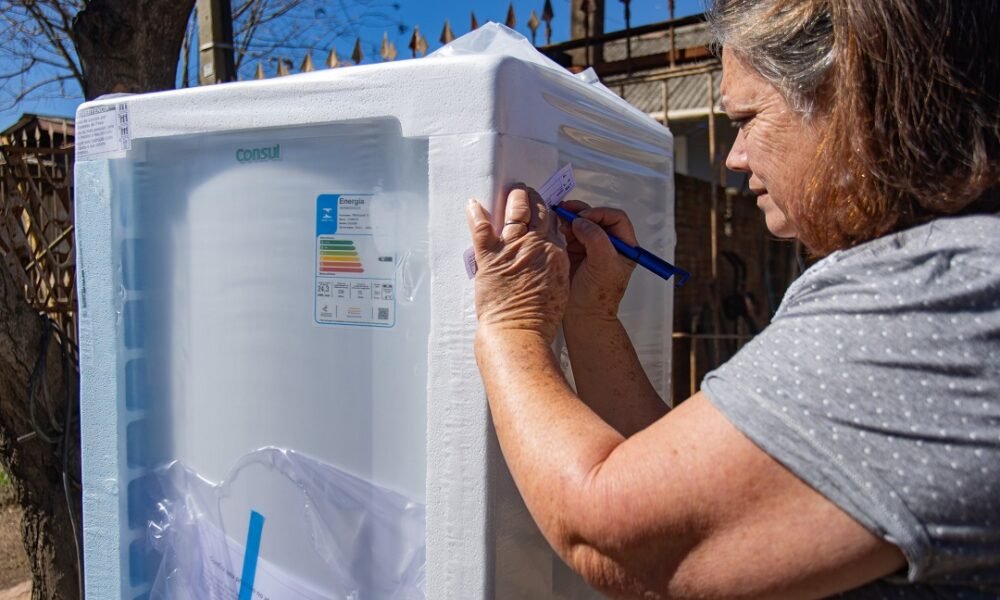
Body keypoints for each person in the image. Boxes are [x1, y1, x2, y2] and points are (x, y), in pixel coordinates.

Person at [464, 0, 1000, 597]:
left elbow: (630, 542)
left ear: (855, 101)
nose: (733, 156)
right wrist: (589, 317)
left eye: (747, 117)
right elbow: (684, 498)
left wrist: (510, 324)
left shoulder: (928, 297)